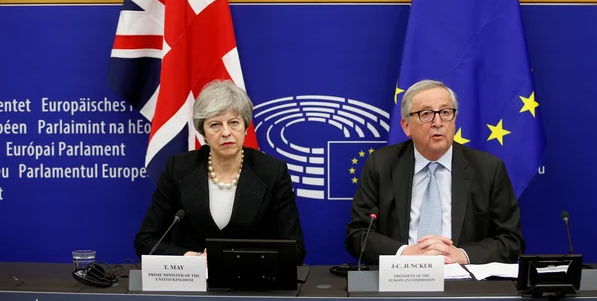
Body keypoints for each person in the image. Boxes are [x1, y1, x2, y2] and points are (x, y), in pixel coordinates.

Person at [345, 79, 524, 265]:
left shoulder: (488, 169)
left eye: (445, 113)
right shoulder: (381, 165)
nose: (438, 122)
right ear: (406, 126)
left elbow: (511, 240)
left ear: (454, 119)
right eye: (426, 114)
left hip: (465, 283)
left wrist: (463, 255)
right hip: (399, 281)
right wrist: (404, 253)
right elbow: (358, 235)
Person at [134, 80, 306, 264]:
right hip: (192, 284)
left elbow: (294, 250)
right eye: (215, 125)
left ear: (246, 128)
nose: (226, 132)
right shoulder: (179, 169)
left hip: (251, 285)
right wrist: (191, 259)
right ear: (203, 133)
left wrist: (234, 259)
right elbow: (146, 242)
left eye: (234, 123)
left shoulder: (271, 172)